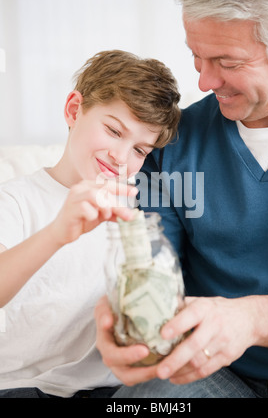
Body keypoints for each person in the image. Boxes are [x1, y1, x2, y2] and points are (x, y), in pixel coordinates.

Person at [95, 0, 268, 398]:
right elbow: (153, 266)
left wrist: (253, 319)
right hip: (210, 372)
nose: (204, 81)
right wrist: (120, 313)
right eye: (196, 56)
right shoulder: (170, 148)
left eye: (228, 63)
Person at [0, 50, 181, 398]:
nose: (121, 157)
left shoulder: (135, 212)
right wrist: (56, 234)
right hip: (23, 386)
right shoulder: (15, 201)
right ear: (73, 110)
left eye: (140, 150)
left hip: (109, 389)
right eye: (113, 130)